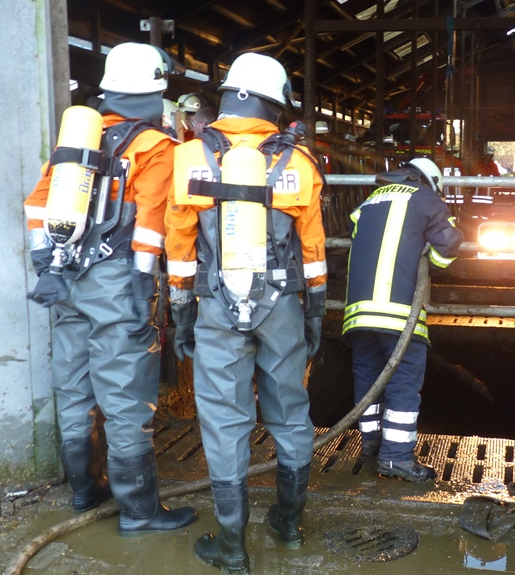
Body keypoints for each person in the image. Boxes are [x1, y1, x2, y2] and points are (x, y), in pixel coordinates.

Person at [23, 42, 197, 535]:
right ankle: (140, 513)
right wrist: (143, 282)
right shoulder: (156, 146)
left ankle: (85, 490)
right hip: (117, 281)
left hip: (65, 277)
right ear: (157, 89)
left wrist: (46, 263)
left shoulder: (79, 139)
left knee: (73, 385)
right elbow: (152, 223)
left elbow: (36, 204)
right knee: (124, 394)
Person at [164, 52, 327, 573]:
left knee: (223, 420)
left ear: (228, 97)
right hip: (282, 306)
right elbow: (313, 249)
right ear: (276, 105)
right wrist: (315, 313)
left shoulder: (190, 156)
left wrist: (180, 310)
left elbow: (179, 244)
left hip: (216, 305)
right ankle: (289, 524)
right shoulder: (298, 162)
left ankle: (232, 546)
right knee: (290, 413)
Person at [343, 158, 464, 482]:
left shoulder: (370, 200)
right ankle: (396, 457)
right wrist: (427, 256)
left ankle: (371, 444)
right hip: (397, 313)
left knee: (368, 376)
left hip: (358, 313)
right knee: (403, 382)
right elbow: (448, 245)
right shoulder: (425, 197)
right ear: (430, 181)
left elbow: (357, 235)